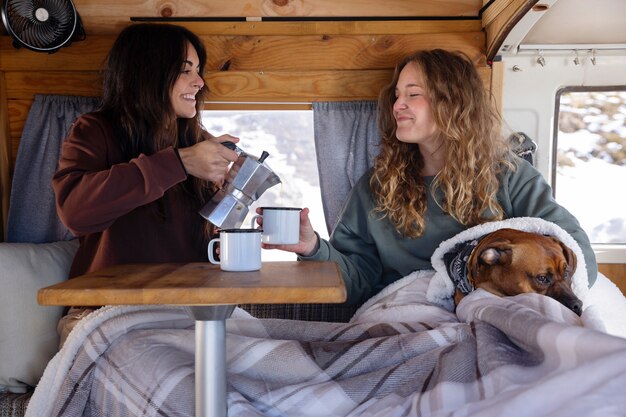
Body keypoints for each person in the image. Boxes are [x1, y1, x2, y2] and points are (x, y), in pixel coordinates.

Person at [260, 49, 598, 306]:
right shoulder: (377, 188)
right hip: (404, 313)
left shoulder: (509, 177)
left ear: (452, 103)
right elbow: (359, 276)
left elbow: (576, 253)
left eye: (413, 94)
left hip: (484, 314)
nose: (398, 106)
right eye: (396, 96)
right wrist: (313, 247)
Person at [52, 23, 240, 343]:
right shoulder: (95, 130)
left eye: (199, 70)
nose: (200, 81)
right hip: (105, 311)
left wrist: (231, 195)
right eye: (185, 70)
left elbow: (206, 243)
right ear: (148, 73)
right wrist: (178, 163)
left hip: (183, 312)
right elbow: (75, 213)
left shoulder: (198, 142)